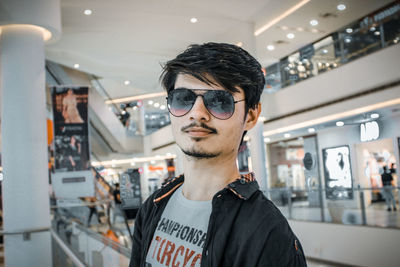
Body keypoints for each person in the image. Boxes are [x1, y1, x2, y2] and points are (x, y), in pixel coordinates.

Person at [129, 43, 307, 267]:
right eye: (183, 98)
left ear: (251, 116)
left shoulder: (267, 231)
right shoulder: (153, 206)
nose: (197, 113)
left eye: (220, 102)